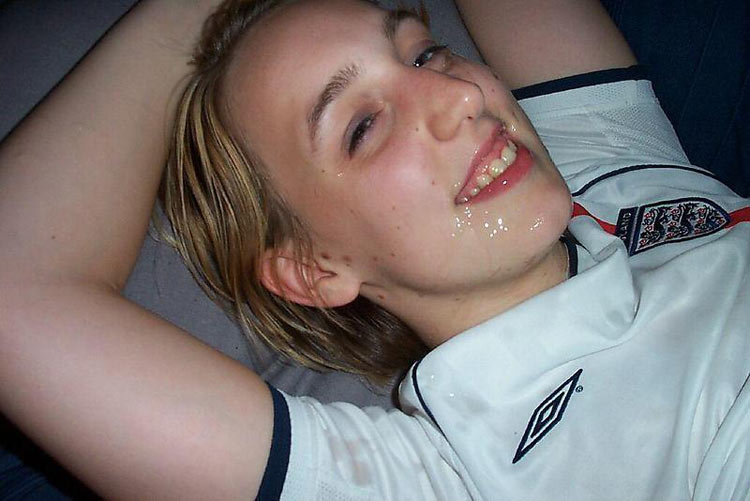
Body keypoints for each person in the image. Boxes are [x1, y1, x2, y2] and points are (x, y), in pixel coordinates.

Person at [0, 0, 748, 499]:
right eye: (362, 127)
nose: (462, 97)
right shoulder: (440, 476)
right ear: (313, 267)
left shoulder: (612, 169)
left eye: (425, 56)